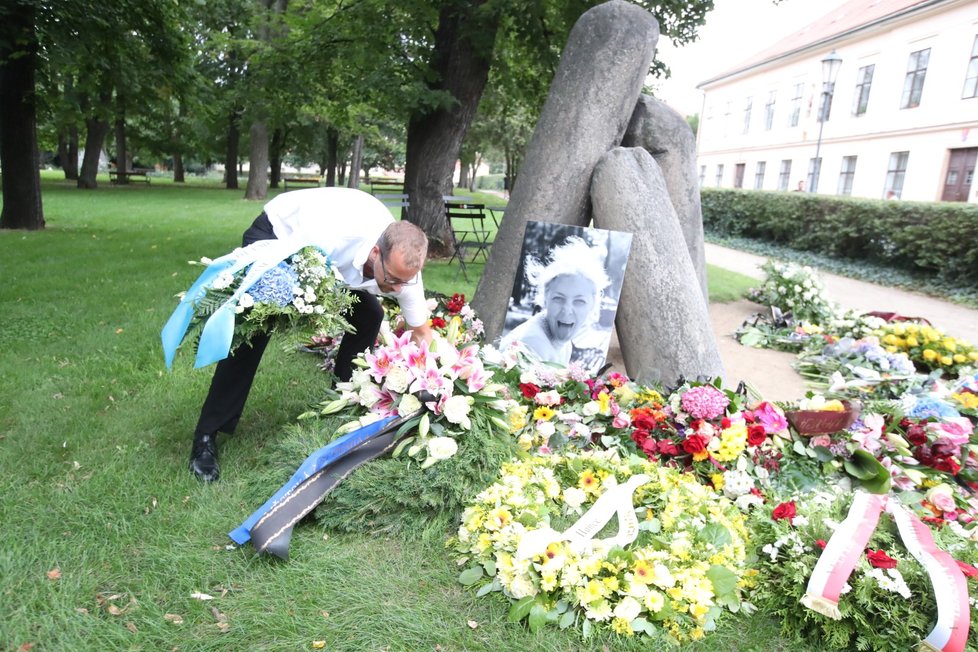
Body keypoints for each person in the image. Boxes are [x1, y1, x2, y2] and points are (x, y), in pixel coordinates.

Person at [189, 187, 433, 482]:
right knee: (255, 325)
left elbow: (421, 331)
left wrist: (427, 377)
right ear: (376, 252)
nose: (396, 289)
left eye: (403, 283)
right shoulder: (331, 236)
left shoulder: (402, 272)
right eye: (392, 280)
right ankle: (205, 437)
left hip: (328, 262)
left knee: (371, 315)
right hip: (279, 236)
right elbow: (304, 270)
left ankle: (343, 400)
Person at [499, 236, 610, 366]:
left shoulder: (564, 343)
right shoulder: (533, 344)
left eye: (579, 301)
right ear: (545, 299)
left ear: (592, 304)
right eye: (558, 298)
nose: (567, 310)